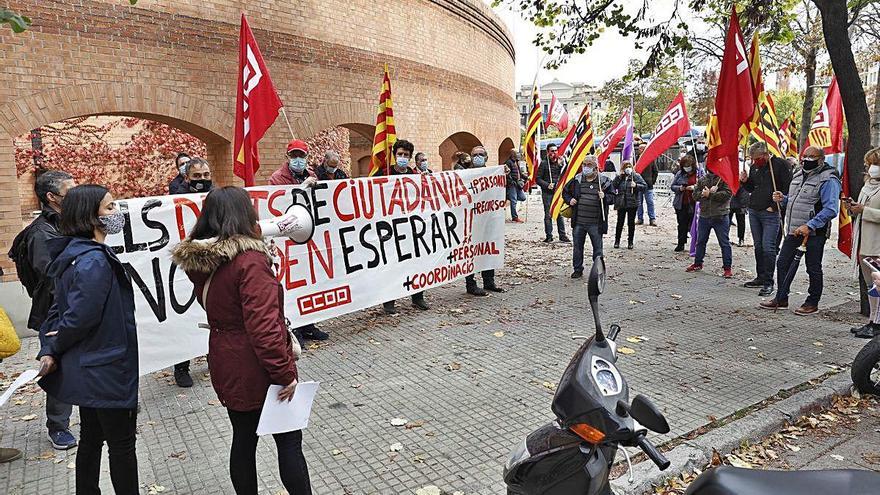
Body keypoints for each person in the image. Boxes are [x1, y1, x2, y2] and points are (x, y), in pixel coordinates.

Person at [171, 187, 311, 495]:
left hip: (226, 359)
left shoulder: (204, 261)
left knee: (244, 440)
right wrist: (284, 374)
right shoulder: (250, 261)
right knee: (288, 441)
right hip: (258, 366)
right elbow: (264, 328)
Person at [37, 184, 139, 494]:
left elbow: (59, 311)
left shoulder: (77, 254)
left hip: (93, 366)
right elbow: (79, 316)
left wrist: (51, 347)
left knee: (93, 437)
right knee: (121, 444)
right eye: (109, 208)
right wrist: (52, 347)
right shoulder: (93, 261)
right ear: (90, 216)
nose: (116, 213)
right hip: (106, 369)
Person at [7, 170, 78, 450]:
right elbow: (50, 277)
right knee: (58, 367)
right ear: (52, 197)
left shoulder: (69, 223)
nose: (75, 196)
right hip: (55, 313)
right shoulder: (41, 233)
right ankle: (58, 426)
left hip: (77, 308)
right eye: (69, 191)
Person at [760, 146, 841, 314]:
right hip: (794, 230)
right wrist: (783, 199)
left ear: (821, 159)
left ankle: (812, 302)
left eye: (812, 157)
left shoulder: (828, 179)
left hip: (814, 233)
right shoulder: (798, 174)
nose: (807, 160)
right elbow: (795, 200)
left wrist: (810, 225)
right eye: (805, 156)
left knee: (813, 267)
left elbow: (831, 209)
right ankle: (781, 297)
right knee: (782, 263)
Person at [165, 157, 215, 387]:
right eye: (197, 176)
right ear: (187, 177)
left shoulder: (216, 198)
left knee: (211, 312)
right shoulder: (173, 200)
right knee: (184, 317)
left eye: (206, 175)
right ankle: (181, 366)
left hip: (211, 261)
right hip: (185, 265)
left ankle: (212, 357)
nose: (202, 180)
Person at [740, 142, 792, 296]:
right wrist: (745, 182)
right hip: (755, 209)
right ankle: (761, 276)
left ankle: (769, 282)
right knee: (758, 247)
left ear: (765, 154)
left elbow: (788, 189)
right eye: (752, 159)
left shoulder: (781, 165)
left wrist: (775, 207)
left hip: (771, 212)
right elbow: (752, 187)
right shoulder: (755, 167)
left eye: (757, 158)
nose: (754, 161)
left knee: (768, 247)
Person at [382, 139, 428, 313]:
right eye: (399, 154)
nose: (402, 157)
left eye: (406, 155)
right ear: (394, 156)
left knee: (416, 262)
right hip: (389, 229)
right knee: (391, 264)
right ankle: (389, 301)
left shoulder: (414, 175)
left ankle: (418, 297)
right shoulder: (382, 174)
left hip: (411, 228)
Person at [462, 146, 506, 296]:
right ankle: (471, 284)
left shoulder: (493, 174)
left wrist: (505, 174)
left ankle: (489, 281)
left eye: (481, 155)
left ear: (486, 158)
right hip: (471, 222)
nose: (478, 157)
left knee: (488, 248)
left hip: (488, 220)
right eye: (475, 155)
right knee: (471, 252)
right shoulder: (464, 174)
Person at [562, 155, 614, 278]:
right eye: (584, 164)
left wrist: (605, 197)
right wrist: (570, 200)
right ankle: (578, 269)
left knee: (597, 249)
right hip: (579, 221)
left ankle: (598, 270)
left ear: (596, 167)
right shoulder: (577, 180)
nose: (586, 167)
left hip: (595, 223)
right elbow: (565, 192)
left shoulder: (604, 182)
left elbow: (613, 198)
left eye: (589, 165)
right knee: (577, 247)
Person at [849, 148, 880, 338]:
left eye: (875, 164)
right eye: (869, 164)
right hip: (863, 242)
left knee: (878, 284)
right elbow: (860, 210)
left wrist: (864, 211)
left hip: (877, 244)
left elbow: (868, 212)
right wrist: (853, 208)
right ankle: (872, 320)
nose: (870, 168)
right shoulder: (867, 185)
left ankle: (877, 324)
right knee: (871, 285)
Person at [686, 170, 734, 278]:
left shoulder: (724, 179)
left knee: (724, 243)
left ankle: (727, 268)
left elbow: (727, 194)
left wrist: (712, 194)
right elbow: (695, 195)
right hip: (705, 215)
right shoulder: (703, 179)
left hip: (720, 215)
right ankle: (698, 263)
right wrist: (703, 194)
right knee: (701, 241)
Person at [536, 143, 570, 243]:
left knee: (559, 214)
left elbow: (565, 174)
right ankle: (549, 235)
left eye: (555, 151)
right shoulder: (544, 163)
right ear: (548, 152)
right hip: (547, 193)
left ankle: (562, 235)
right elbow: (537, 179)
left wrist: (562, 165)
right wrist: (547, 185)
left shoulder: (561, 162)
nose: (554, 153)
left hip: (558, 192)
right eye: (552, 151)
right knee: (548, 214)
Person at [612, 161, 646, 249]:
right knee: (620, 222)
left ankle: (630, 241)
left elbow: (644, 186)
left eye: (629, 166)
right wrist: (620, 177)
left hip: (632, 203)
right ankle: (617, 241)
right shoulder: (619, 177)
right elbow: (613, 186)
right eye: (625, 167)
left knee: (631, 223)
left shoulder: (636, 176)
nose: (627, 168)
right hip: (621, 203)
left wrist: (636, 185)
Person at [670, 156, 698, 252]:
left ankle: (696, 244)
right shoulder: (680, 174)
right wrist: (680, 188)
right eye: (685, 166)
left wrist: (694, 187)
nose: (687, 168)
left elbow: (703, 185)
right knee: (681, 224)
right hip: (681, 203)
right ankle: (681, 243)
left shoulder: (699, 173)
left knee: (694, 224)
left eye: (688, 166)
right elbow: (672, 186)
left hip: (694, 202)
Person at [636, 144, 658, 226]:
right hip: (638, 185)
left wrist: (652, 181)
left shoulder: (651, 159)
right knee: (639, 203)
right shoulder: (636, 159)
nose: (641, 150)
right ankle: (640, 218)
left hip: (648, 185)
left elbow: (655, 171)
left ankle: (652, 219)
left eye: (643, 148)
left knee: (650, 202)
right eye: (640, 148)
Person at [504, 149, 527, 223]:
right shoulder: (508, 162)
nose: (518, 154)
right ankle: (515, 217)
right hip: (512, 185)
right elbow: (507, 174)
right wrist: (512, 181)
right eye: (517, 153)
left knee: (523, 198)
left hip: (518, 184)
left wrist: (526, 177)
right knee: (514, 201)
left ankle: (509, 197)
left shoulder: (516, 162)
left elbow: (519, 173)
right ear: (513, 154)